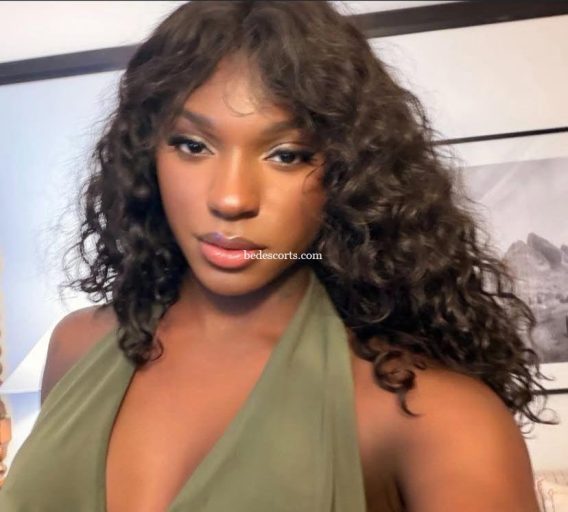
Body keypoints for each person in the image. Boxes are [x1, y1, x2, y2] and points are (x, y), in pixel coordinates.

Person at [0, 1, 557, 511]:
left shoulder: (431, 417)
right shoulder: (75, 347)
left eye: (287, 155)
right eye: (193, 145)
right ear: (147, 155)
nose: (231, 198)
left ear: (349, 173)